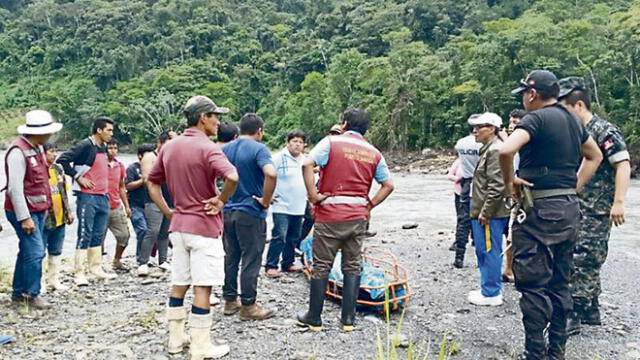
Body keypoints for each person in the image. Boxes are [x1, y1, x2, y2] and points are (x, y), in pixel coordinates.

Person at [500, 70, 602, 360]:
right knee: (560, 282)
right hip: (569, 210)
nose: (523, 98)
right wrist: (574, 186)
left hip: (539, 212)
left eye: (524, 94)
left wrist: (511, 183)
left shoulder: (535, 118)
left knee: (533, 285)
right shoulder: (573, 118)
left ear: (532, 94)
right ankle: (556, 351)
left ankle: (534, 352)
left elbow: (506, 150)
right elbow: (594, 155)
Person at [148, 95, 237, 359]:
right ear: (203, 118)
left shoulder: (169, 147)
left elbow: (152, 182)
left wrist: (167, 210)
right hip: (204, 226)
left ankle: (175, 340)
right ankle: (200, 346)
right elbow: (232, 176)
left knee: (179, 283)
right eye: (215, 116)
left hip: (179, 226)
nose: (218, 122)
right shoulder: (208, 147)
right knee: (203, 287)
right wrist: (221, 200)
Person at [297, 109, 394, 332]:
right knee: (352, 265)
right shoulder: (374, 153)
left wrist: (313, 196)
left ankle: (314, 318)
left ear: (345, 123)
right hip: (357, 217)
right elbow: (388, 185)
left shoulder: (332, 142)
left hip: (330, 215)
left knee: (322, 265)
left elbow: (306, 164)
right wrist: (369, 205)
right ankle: (348, 320)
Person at [557, 77, 631, 334]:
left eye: (564, 108)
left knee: (585, 258)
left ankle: (574, 313)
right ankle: (591, 310)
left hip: (596, 208)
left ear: (578, 105)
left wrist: (619, 202)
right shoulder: (575, 132)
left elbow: (622, 164)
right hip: (577, 205)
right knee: (583, 255)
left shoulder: (603, 131)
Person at [221, 113, 277, 321]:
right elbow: (271, 174)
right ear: (259, 131)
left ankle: (229, 300)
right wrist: (266, 199)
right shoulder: (259, 149)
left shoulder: (225, 149)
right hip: (250, 211)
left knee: (231, 256)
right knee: (251, 258)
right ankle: (248, 305)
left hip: (227, 210)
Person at [4, 110, 62, 308]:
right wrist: (24, 217)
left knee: (27, 250)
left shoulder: (36, 148)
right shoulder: (17, 152)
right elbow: (15, 189)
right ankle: (31, 293)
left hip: (37, 209)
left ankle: (19, 292)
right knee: (36, 251)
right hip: (24, 211)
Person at [57, 116, 117, 286]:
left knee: (98, 233)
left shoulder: (104, 146)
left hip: (103, 195)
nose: (111, 134)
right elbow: (62, 160)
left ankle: (96, 268)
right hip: (87, 196)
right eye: (108, 130)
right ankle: (79, 272)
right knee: (85, 232)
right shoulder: (85, 145)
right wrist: (78, 177)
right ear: (99, 130)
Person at [466, 112, 510, 306]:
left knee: (490, 250)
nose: (474, 131)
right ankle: (487, 288)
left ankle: (491, 293)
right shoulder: (488, 149)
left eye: (479, 127)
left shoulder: (494, 150)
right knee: (483, 250)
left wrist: (485, 212)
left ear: (492, 129)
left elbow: (497, 185)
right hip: (484, 210)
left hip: (490, 213)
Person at [265, 129, 307, 278]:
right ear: (288, 143)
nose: (297, 145)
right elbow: (266, 175)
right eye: (294, 141)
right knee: (279, 235)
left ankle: (288, 262)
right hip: (281, 203)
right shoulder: (277, 158)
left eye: (300, 142)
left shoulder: (305, 160)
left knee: (294, 236)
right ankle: (271, 265)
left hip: (299, 204)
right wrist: (267, 195)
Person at [137, 131, 173, 276]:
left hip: (170, 199)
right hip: (153, 200)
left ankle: (163, 260)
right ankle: (143, 261)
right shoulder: (150, 157)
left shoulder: (173, 157)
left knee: (165, 232)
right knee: (152, 231)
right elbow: (147, 179)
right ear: (160, 143)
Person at [451, 115, 482, 268]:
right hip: (482, 183)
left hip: (466, 183)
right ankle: (481, 257)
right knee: (482, 220)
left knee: (463, 220)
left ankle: (459, 257)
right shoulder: (483, 145)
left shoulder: (461, 144)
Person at [42, 142, 74, 292]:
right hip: (44, 218)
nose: (54, 155)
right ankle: (39, 282)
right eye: (51, 151)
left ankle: (53, 280)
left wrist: (69, 211)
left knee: (56, 250)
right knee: (39, 251)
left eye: (56, 151)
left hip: (59, 216)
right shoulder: (37, 170)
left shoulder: (58, 169)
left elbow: (64, 193)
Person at [503, 108, 526, 283]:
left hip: (525, 192)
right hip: (514, 193)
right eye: (511, 122)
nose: (511, 126)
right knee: (511, 232)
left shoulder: (525, 141)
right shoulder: (511, 141)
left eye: (516, 123)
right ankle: (509, 269)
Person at [102, 140, 132, 270]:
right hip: (101, 206)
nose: (112, 150)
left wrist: (126, 205)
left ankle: (117, 260)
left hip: (115, 205)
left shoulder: (119, 165)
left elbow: (121, 186)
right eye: (110, 148)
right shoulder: (99, 164)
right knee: (98, 238)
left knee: (124, 235)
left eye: (115, 148)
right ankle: (97, 265)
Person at [125, 144, 155, 265]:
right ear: (140, 155)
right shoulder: (132, 168)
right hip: (135, 205)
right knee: (142, 230)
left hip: (150, 205)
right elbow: (127, 185)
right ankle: (140, 258)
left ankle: (147, 256)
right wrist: (142, 181)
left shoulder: (155, 167)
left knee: (152, 232)